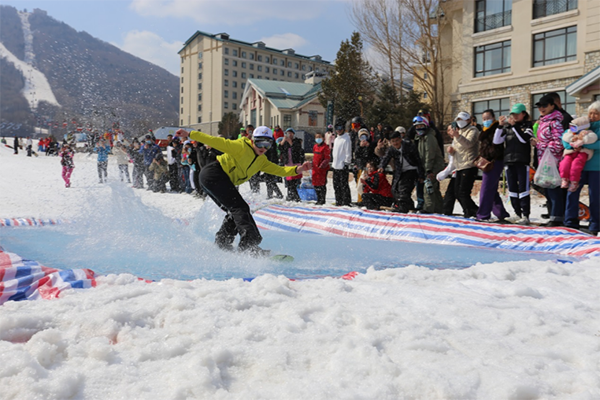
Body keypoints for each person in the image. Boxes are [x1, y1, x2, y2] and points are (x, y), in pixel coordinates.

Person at [181, 126, 311, 254]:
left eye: (268, 144)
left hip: (217, 179)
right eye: (260, 143)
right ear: (253, 140)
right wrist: (190, 134)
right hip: (214, 174)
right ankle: (248, 245)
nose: (263, 148)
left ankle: (222, 243)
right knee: (240, 208)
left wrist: (298, 169)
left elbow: (280, 170)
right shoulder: (241, 146)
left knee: (235, 211)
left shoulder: (262, 160)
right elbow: (214, 141)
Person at [493, 104, 535, 224]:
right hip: (509, 161)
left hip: (522, 161)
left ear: (524, 114)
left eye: (517, 114)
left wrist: (515, 126)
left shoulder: (527, 126)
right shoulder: (508, 128)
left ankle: (525, 215)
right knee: (512, 189)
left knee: (523, 189)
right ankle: (517, 213)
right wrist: (500, 126)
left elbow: (523, 139)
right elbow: (496, 141)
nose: (514, 116)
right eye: (513, 114)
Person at [564, 101, 600, 235]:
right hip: (579, 166)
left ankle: (595, 225)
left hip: (597, 167)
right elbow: (566, 136)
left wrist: (585, 145)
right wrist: (571, 145)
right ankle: (570, 222)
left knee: (595, 195)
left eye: (596, 113)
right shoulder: (582, 123)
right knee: (572, 191)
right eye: (591, 113)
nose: (592, 116)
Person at [535, 94, 566, 226]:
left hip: (553, 161)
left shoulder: (555, 122)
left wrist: (539, 144)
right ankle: (553, 215)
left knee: (554, 189)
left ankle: (557, 217)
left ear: (552, 106)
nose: (541, 108)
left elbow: (559, 143)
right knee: (547, 189)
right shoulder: (543, 122)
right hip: (544, 160)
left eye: (545, 106)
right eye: (539, 106)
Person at [475, 109, 510, 222]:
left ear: (493, 118)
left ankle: (483, 214)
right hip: (487, 161)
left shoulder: (497, 129)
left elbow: (496, 142)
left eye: (488, 118)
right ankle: (500, 212)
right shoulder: (485, 131)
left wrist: (500, 126)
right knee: (491, 188)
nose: (486, 121)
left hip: (495, 160)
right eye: (484, 119)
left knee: (486, 188)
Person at [378, 130, 424, 213]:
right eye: (393, 141)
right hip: (399, 171)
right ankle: (409, 206)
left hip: (411, 170)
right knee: (394, 189)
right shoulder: (391, 149)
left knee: (404, 189)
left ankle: (403, 207)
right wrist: (382, 167)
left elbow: (418, 160)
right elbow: (386, 158)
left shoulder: (409, 146)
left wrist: (421, 175)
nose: (395, 143)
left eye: (397, 141)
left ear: (400, 139)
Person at [447, 111, 480, 219]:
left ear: (468, 120)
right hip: (459, 166)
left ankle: (474, 211)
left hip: (469, 165)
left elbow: (468, 144)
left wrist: (458, 136)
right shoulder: (458, 132)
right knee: (457, 192)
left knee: (463, 192)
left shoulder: (473, 130)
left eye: (462, 119)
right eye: (458, 120)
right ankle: (468, 211)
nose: (460, 122)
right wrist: (452, 151)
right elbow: (458, 150)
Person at [413, 116, 445, 214]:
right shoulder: (420, 138)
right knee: (434, 189)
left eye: (421, 126)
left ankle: (428, 209)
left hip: (434, 166)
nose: (419, 128)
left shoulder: (429, 137)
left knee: (428, 187)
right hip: (428, 166)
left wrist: (428, 169)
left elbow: (429, 154)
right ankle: (440, 208)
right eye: (417, 127)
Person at [559, 116, 597, 192]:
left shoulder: (588, 132)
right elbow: (564, 137)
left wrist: (583, 139)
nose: (571, 129)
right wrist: (571, 138)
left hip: (582, 152)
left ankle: (574, 182)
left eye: (574, 127)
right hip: (571, 152)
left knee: (576, 165)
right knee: (564, 163)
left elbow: (593, 138)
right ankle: (564, 178)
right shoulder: (570, 132)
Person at [279, 128, 305, 202]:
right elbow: (280, 149)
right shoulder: (285, 143)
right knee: (289, 182)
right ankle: (291, 196)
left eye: (291, 133)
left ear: (293, 134)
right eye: (288, 133)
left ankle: (295, 197)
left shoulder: (296, 141)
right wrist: (283, 141)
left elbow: (297, 150)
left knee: (294, 182)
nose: (289, 135)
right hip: (288, 164)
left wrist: (290, 142)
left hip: (295, 164)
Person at [331, 119, 353, 206]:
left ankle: (346, 201)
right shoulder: (336, 139)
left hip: (342, 165)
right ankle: (338, 200)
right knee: (336, 185)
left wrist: (347, 163)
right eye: (337, 128)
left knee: (343, 185)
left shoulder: (346, 139)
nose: (338, 130)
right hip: (335, 165)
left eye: (340, 128)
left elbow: (348, 152)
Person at [312, 132, 331, 205]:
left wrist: (321, 166)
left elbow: (327, 158)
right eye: (316, 137)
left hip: (322, 169)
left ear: (323, 138)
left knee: (322, 184)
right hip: (315, 168)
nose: (318, 139)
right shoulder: (315, 146)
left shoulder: (325, 147)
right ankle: (318, 199)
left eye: (319, 137)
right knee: (315, 184)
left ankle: (322, 200)